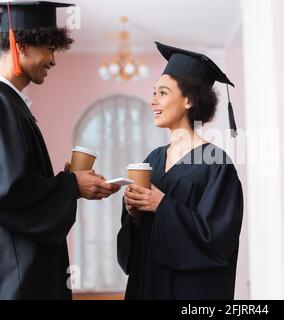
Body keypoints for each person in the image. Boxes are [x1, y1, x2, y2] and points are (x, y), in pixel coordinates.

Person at [0, 2, 120, 300]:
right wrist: (70, 185)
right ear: (22, 46)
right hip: (17, 272)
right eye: (50, 49)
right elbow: (8, 192)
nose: (53, 60)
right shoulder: (2, 104)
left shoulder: (13, 104)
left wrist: (65, 184)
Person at [117, 42, 244, 300]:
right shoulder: (152, 159)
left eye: (162, 93)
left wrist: (161, 205)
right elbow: (138, 241)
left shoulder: (217, 165)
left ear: (189, 100)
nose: (152, 101)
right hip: (146, 283)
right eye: (154, 92)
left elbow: (217, 242)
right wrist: (133, 214)